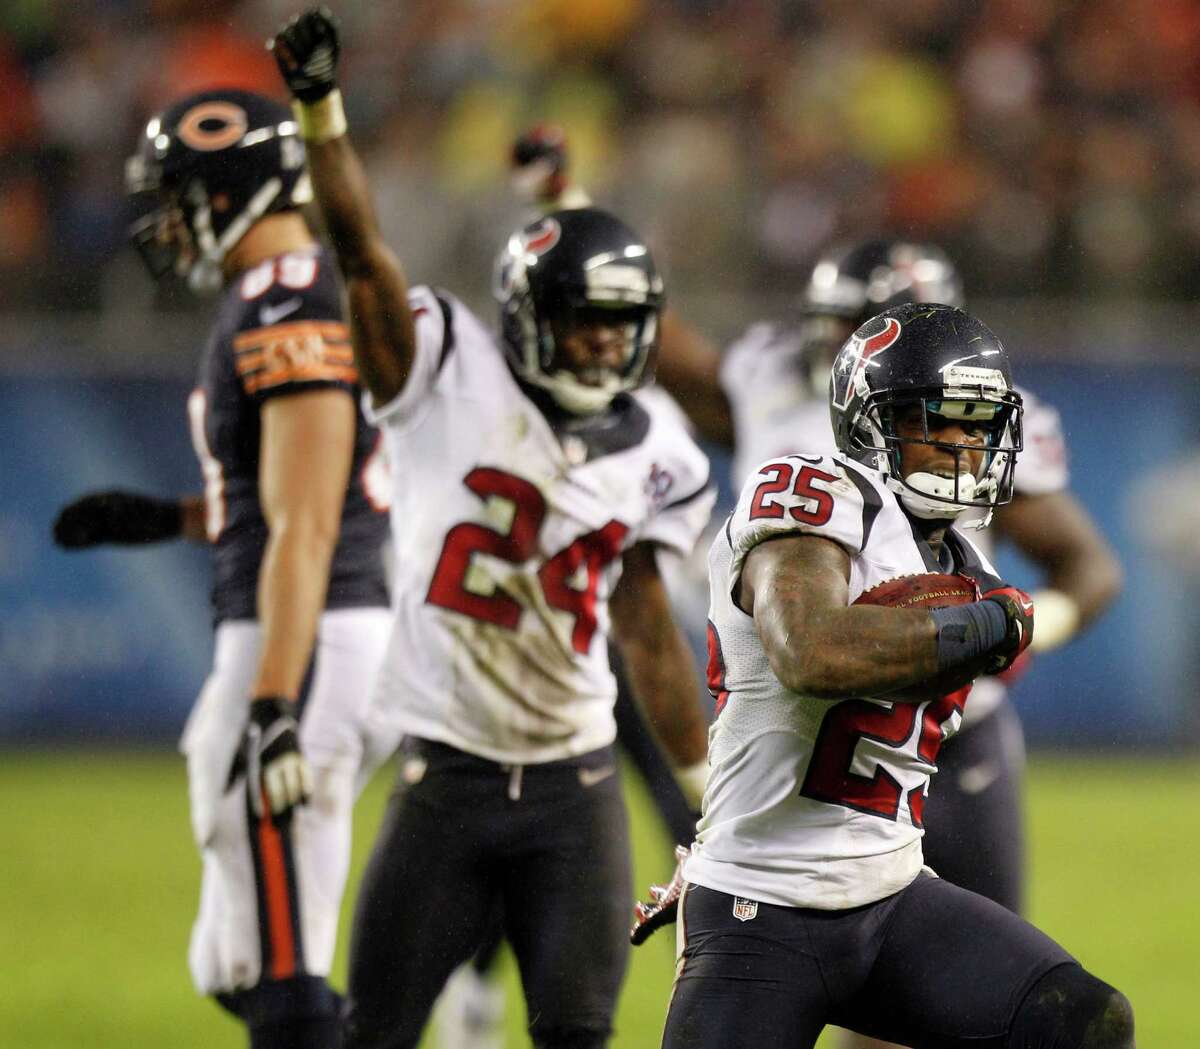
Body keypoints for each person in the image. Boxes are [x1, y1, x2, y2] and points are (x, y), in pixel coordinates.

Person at [269, 9, 716, 1049]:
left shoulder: (660, 444)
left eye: (623, 322)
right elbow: (358, 248)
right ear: (527, 314)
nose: (608, 343)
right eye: (585, 319)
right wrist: (320, 112)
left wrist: (707, 797)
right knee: (372, 1030)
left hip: (580, 786)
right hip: (448, 778)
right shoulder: (444, 372)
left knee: (578, 1031)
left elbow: (647, 628)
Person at [643, 301, 1135, 1048]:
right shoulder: (810, 495)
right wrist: (984, 626)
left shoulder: (960, 565)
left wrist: (988, 620)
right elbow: (810, 651)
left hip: (890, 894)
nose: (966, 444)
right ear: (874, 422)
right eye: (940, 419)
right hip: (760, 903)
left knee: (1083, 1021)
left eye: (978, 423)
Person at [52, 89, 397, 1049]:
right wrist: (169, 517)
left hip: (305, 635)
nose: (169, 219)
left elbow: (309, 520)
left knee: (280, 967)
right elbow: (286, 504)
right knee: (236, 962)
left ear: (235, 187)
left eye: (183, 193)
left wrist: (276, 696)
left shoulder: (286, 296)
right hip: (310, 621)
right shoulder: (274, 292)